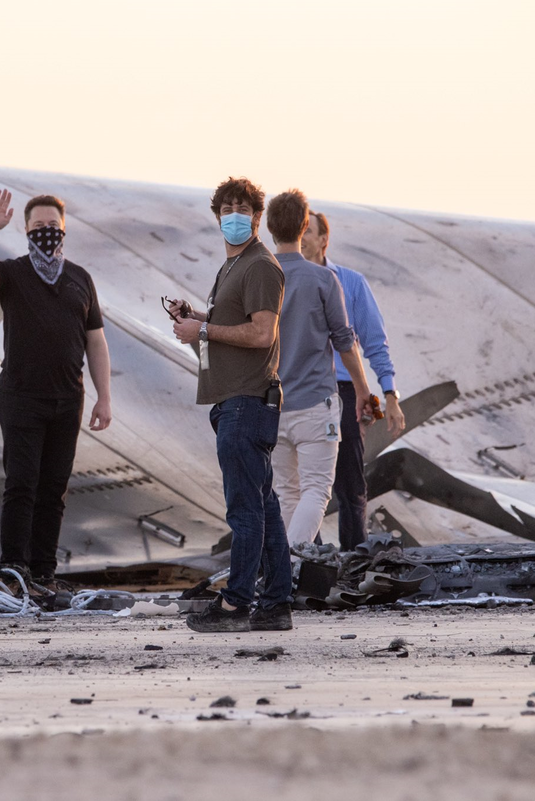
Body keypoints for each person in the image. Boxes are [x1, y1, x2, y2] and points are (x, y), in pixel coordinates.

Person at [0, 190, 112, 592]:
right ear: (26, 230)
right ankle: (13, 568)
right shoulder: (13, 273)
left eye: (53, 227)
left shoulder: (81, 278)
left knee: (54, 488)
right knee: (21, 483)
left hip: (68, 399)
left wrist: (104, 397)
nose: (47, 233)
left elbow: (95, 341)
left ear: (65, 230)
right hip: (21, 397)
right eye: (39, 227)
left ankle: (43, 572)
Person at [167, 176, 292, 633]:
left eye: (243, 209)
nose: (233, 216)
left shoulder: (260, 266)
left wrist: (202, 331)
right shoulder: (234, 267)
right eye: (226, 209)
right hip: (235, 403)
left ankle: (237, 603)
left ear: (258, 217)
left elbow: (263, 333)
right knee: (265, 507)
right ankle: (276, 604)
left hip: (246, 403)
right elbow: (239, 323)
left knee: (245, 509)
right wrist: (201, 318)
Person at [265, 190, 372, 548]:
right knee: (317, 491)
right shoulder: (324, 280)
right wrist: (362, 391)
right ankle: (290, 565)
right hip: (315, 404)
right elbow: (345, 341)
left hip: (272, 404)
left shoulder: (260, 276)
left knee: (286, 492)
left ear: (269, 227)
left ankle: (283, 573)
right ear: (302, 227)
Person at [300, 210, 406, 550]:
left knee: (349, 484)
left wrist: (389, 394)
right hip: (298, 391)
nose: (301, 236)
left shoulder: (351, 283)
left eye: (308, 231)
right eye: (298, 230)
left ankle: (353, 564)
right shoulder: (280, 280)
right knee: (299, 484)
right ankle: (309, 561)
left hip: (343, 392)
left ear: (323, 240)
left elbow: (374, 342)